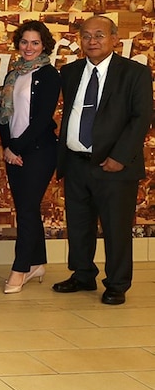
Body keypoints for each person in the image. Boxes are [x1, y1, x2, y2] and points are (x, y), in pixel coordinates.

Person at [54, 15, 153, 305]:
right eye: (86, 35)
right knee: (79, 225)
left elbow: (142, 117)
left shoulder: (134, 72)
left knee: (116, 227)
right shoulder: (70, 72)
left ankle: (117, 283)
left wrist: (120, 157)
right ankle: (83, 274)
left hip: (114, 166)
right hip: (76, 162)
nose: (92, 41)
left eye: (99, 35)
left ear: (114, 39)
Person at [0, 20, 60, 294]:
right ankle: (37, 262)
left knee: (25, 208)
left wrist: (16, 148)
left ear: (44, 45)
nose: (29, 47)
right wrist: (8, 147)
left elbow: (42, 120)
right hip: (15, 151)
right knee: (27, 207)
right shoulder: (13, 75)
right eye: (24, 42)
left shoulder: (49, 74)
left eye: (35, 42)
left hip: (40, 151)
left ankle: (20, 268)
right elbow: (4, 116)